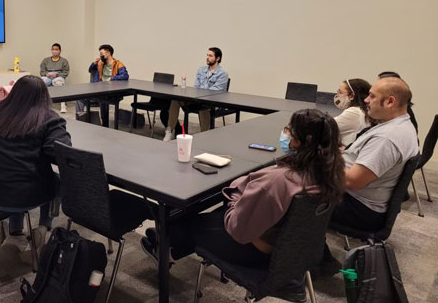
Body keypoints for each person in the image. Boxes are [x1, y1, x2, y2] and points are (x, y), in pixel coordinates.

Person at [142, 109, 345, 296]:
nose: (285, 133)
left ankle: (164, 246)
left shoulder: (278, 182)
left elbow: (238, 230)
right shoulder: (329, 173)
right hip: (293, 251)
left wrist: (235, 200)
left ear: (302, 141)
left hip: (257, 252)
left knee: (186, 222)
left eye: (289, 130)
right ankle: (168, 248)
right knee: (206, 219)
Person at [319, 77, 419, 275]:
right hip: (366, 201)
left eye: (372, 96)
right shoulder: (400, 125)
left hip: (359, 208)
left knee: (293, 198)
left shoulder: (387, 138)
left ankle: (315, 261)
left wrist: (321, 161)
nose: (365, 100)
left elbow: (352, 181)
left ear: (390, 101)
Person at [0, 75, 71, 243]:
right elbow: (60, 153)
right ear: (45, 96)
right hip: (16, 198)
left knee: (13, 170)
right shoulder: (49, 118)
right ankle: (44, 227)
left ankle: (15, 232)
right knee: (55, 181)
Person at [163, 47, 228, 141]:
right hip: (197, 99)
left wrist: (201, 92)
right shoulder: (201, 70)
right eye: (207, 55)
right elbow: (196, 87)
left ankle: (204, 136)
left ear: (217, 58)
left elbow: (215, 92)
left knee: (204, 106)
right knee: (175, 100)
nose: (207, 57)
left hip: (211, 102)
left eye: (210, 56)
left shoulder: (222, 74)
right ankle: (169, 131)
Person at [75, 44, 129, 125]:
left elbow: (125, 76)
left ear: (108, 53)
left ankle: (105, 124)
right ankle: (80, 120)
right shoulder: (100, 64)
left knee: (104, 101)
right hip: (99, 88)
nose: (100, 56)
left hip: (111, 91)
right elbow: (90, 70)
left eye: (101, 54)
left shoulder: (118, 64)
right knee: (79, 97)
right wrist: (94, 63)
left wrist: (112, 78)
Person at [333, 78, 371, 147]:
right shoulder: (363, 110)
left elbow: (327, 125)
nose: (337, 95)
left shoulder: (354, 112)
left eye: (340, 92)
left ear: (352, 96)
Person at [40, 43, 69, 113]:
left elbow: (66, 72)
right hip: (47, 77)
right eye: (53, 49)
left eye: (56, 49)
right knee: (41, 83)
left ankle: (63, 106)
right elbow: (42, 72)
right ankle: (41, 105)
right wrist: (46, 74)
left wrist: (57, 75)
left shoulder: (64, 61)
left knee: (58, 83)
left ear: (60, 51)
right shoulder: (45, 60)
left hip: (58, 77)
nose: (54, 51)